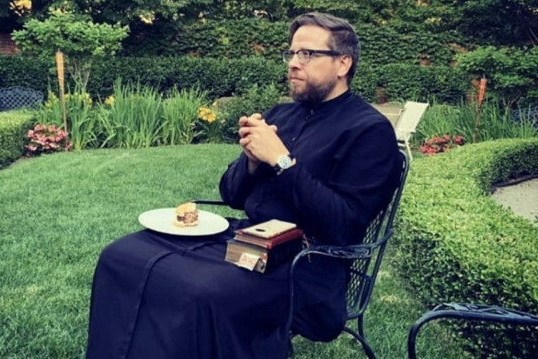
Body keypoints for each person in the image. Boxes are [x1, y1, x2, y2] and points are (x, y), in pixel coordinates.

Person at [86, 12, 402, 359]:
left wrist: (281, 161)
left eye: (307, 54)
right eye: (292, 54)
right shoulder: (282, 114)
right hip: (244, 241)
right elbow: (232, 195)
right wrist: (252, 161)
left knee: (198, 291)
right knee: (121, 256)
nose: (294, 64)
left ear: (343, 63)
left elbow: (342, 226)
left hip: (307, 264)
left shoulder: (369, 131)